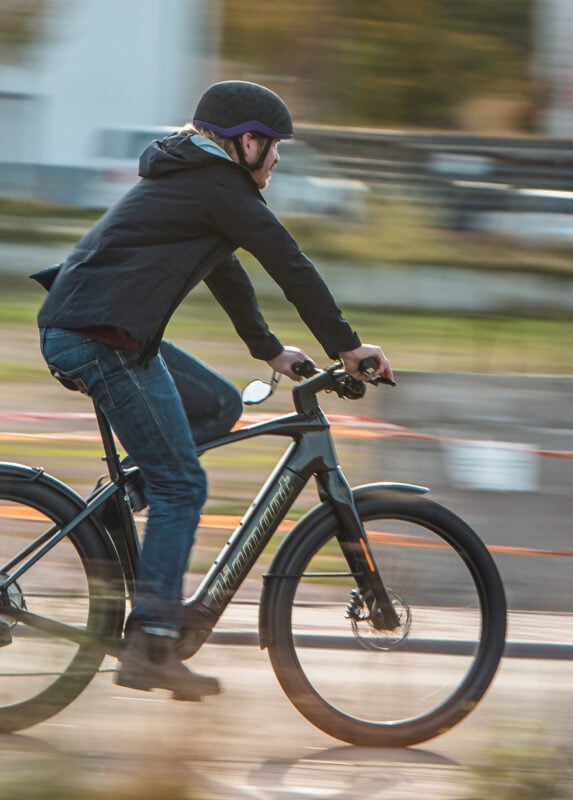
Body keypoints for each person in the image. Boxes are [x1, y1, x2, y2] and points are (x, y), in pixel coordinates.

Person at [33, 80, 393, 701]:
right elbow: (289, 262)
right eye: (274, 145)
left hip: (106, 330)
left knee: (221, 405)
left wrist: (270, 351)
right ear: (246, 142)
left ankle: (138, 493)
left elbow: (224, 269)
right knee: (184, 485)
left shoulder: (195, 177)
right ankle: (151, 644)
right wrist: (349, 347)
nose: (278, 158)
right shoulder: (216, 185)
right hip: (98, 338)